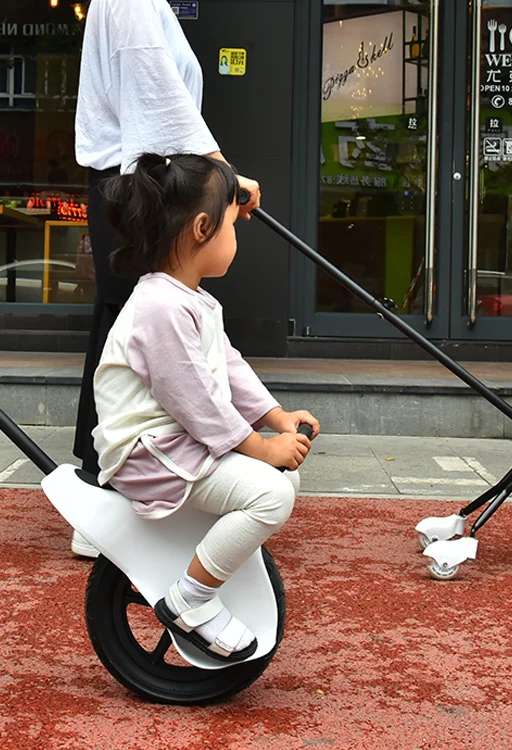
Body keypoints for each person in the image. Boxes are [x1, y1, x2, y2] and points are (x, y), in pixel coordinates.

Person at [92, 152, 320, 662]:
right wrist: (260, 447)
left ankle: (211, 562)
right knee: (270, 493)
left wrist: (275, 417)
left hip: (176, 442)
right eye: (230, 227)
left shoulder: (189, 299)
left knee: (284, 481)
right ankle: (190, 601)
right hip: (149, 452)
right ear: (201, 229)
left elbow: (228, 368)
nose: (235, 237)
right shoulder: (160, 307)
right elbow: (195, 399)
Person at [72, 0, 261, 557]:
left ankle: (112, 488)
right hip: (136, 181)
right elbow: (156, 87)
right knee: (147, 327)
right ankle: (108, 497)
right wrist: (223, 173)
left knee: (138, 326)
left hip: (139, 179)